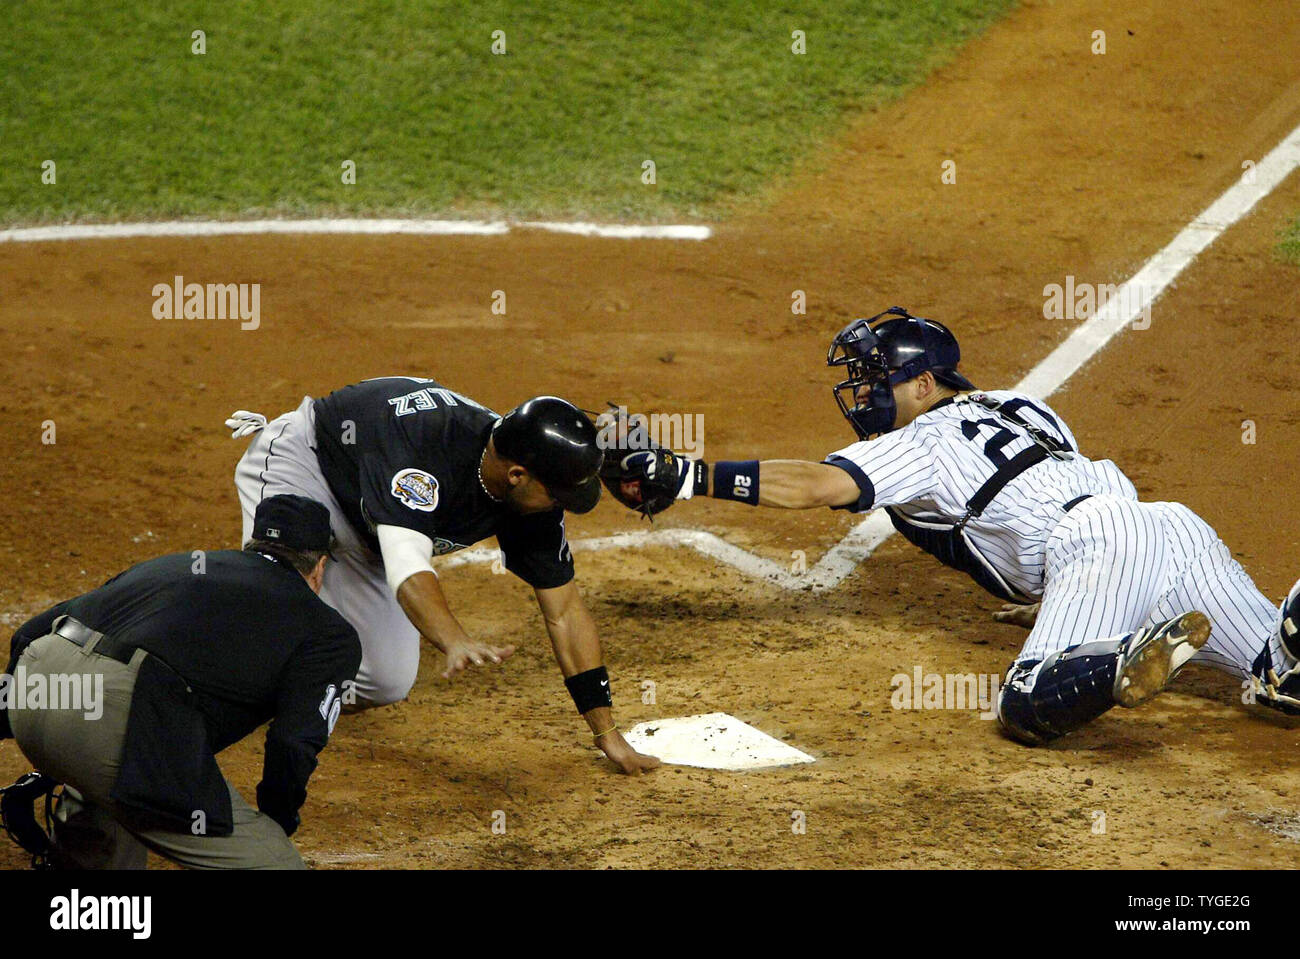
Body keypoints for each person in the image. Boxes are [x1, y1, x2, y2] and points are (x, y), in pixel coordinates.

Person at [600, 306, 1300, 744]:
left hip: (1098, 547)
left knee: (1026, 705)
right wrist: (1052, 595)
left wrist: (688, 474)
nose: (868, 393)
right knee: (1280, 671)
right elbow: (1038, 497)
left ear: (925, 385)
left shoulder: (923, 439)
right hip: (1168, 528)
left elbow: (815, 484)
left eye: (879, 380)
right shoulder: (1022, 403)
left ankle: (1116, 656)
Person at [225, 377, 658, 774]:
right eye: (558, 493)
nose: (560, 504)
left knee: (384, 679)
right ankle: (204, 668)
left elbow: (564, 611)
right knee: (282, 600)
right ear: (516, 475)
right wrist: (453, 638)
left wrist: (607, 733)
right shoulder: (427, 449)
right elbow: (407, 563)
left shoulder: (532, 500)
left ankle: (284, 696)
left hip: (374, 526)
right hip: (307, 470)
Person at [0, 494, 361, 868]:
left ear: (251, 545)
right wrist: (277, 821)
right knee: (273, 863)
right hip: (117, 721)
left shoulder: (177, 565)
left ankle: (80, 863)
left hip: (36, 682)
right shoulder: (329, 632)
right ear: (319, 566)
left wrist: (23, 720)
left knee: (119, 788)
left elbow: (31, 632)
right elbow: (293, 742)